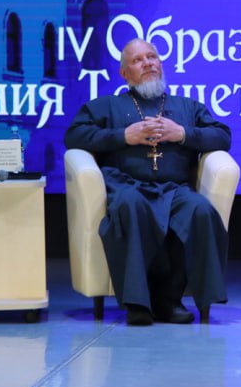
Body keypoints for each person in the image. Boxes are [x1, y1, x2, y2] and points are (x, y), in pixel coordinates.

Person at [64, 38, 232, 326]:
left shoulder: (187, 107)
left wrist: (182, 134)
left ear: (161, 64)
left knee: (200, 210)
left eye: (152, 57)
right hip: (126, 186)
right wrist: (123, 136)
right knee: (131, 205)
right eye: (138, 60)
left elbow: (222, 136)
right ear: (124, 73)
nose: (148, 63)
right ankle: (137, 304)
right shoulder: (106, 106)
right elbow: (74, 136)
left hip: (175, 189)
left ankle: (171, 302)